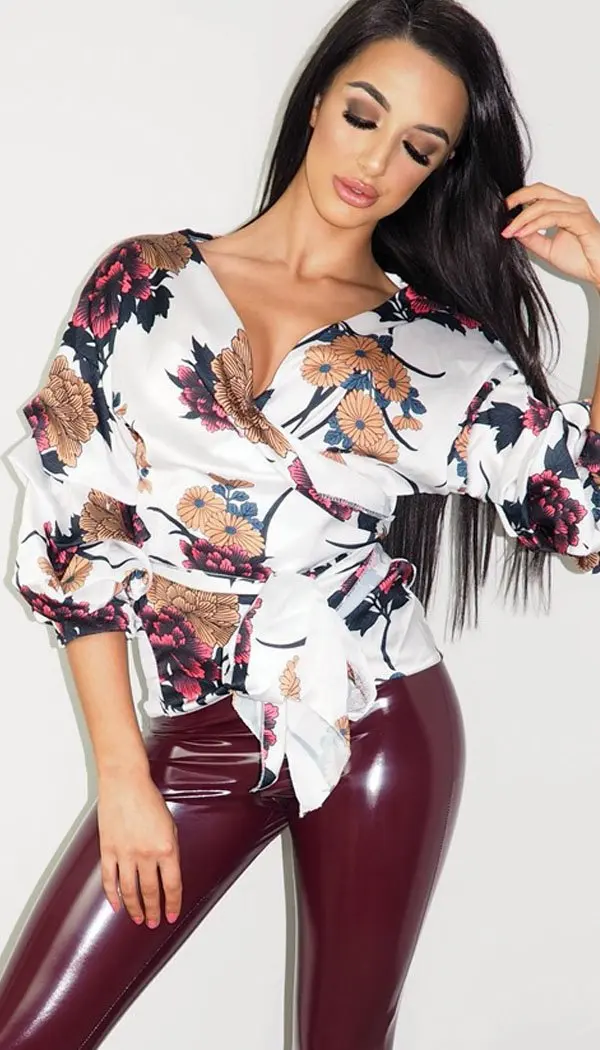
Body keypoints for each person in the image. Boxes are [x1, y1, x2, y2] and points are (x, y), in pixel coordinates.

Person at [1, 0, 599, 1046]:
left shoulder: (439, 347)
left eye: (417, 147)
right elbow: (69, 529)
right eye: (364, 115)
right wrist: (123, 777)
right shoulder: (145, 282)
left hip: (381, 718)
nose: (375, 161)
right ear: (318, 101)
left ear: (438, 171)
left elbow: (579, 512)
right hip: (198, 734)